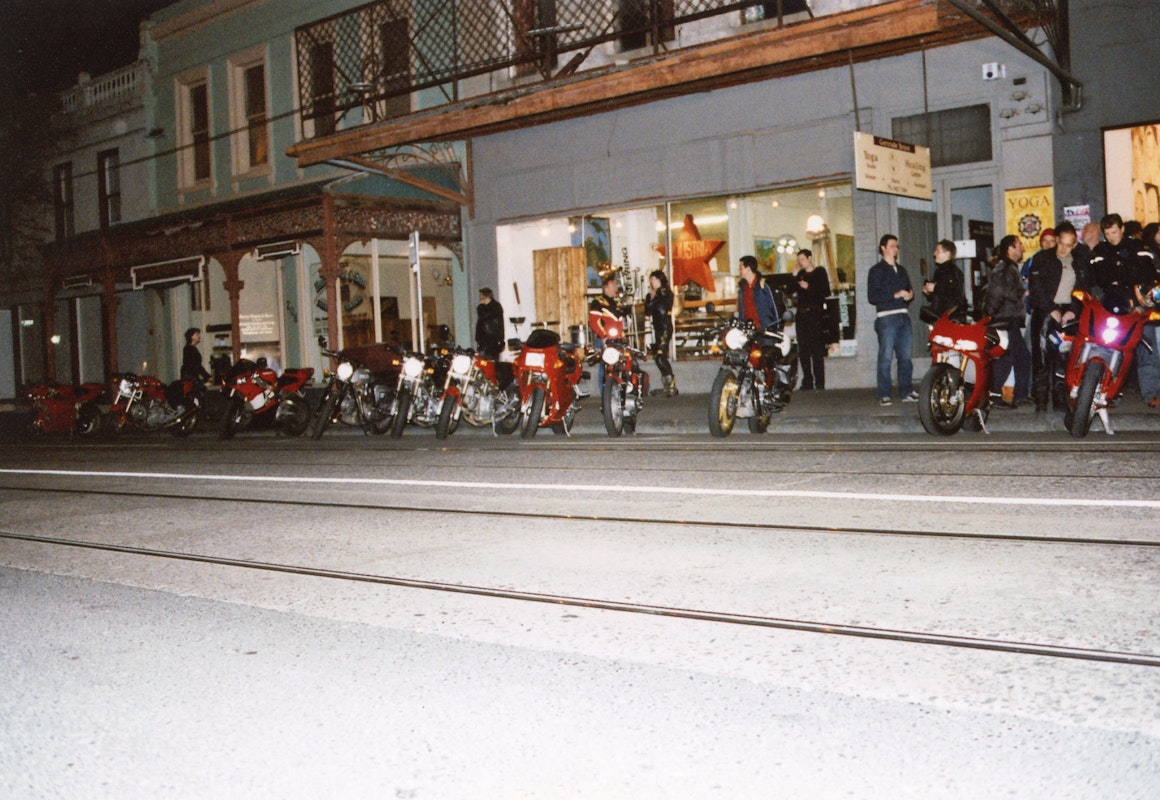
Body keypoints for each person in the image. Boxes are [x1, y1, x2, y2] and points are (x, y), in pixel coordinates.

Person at [1027, 225, 1089, 411]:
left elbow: (1083, 289)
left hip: (1068, 312)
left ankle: (1061, 400)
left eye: (1068, 245)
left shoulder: (1078, 262)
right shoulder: (1042, 258)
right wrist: (1051, 309)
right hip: (1045, 312)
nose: (1063, 249)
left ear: (1074, 245)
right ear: (1056, 240)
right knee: (1042, 356)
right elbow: (1036, 288)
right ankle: (1041, 401)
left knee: (1064, 358)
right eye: (1061, 243)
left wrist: (1073, 310)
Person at [866, 234, 917, 406]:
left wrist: (909, 295)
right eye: (892, 245)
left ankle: (906, 391)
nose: (896, 249)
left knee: (905, 357)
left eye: (897, 246)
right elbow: (872, 296)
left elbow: (910, 289)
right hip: (886, 317)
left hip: (903, 315)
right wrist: (895, 295)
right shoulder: (876, 270)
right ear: (883, 248)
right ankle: (884, 393)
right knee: (886, 357)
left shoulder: (901, 270)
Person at [984, 235, 1031, 407]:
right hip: (1005, 319)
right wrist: (993, 316)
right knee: (1008, 356)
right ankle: (996, 395)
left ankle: (1019, 394)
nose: (1022, 248)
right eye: (1019, 245)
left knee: (1021, 357)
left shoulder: (1009, 268)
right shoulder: (1004, 268)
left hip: (1008, 318)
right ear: (1010, 249)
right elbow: (998, 294)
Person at [793, 249, 829, 391]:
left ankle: (820, 382)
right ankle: (807, 380)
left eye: (802, 259)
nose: (800, 262)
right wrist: (794, 277)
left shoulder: (819, 272)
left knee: (816, 348)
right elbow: (790, 290)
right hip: (801, 315)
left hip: (814, 314)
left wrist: (809, 287)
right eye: (799, 260)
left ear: (809, 258)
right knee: (803, 348)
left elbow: (825, 291)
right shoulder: (800, 275)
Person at [590, 274, 627, 392]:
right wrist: (604, 336)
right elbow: (594, 322)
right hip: (605, 340)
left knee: (622, 366)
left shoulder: (616, 304)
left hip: (618, 341)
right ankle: (604, 396)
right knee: (605, 367)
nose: (616, 287)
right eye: (613, 285)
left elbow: (620, 324)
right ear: (606, 288)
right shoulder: (598, 302)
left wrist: (623, 338)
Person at [644, 269, 678, 397]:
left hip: (665, 327)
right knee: (659, 358)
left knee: (660, 356)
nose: (653, 282)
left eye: (655, 279)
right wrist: (650, 299)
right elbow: (648, 311)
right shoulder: (652, 295)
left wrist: (653, 298)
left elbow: (662, 305)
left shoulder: (665, 292)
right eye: (651, 279)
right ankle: (667, 384)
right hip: (657, 327)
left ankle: (671, 385)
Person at [921, 239, 968, 323]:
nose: (934, 253)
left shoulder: (954, 272)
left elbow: (954, 294)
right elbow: (939, 297)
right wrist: (929, 292)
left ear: (947, 254)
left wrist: (935, 288)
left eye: (937, 251)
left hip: (952, 319)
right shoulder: (939, 271)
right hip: (940, 317)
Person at [736, 255, 781, 331]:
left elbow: (777, 309)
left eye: (741, 268)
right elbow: (741, 313)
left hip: (765, 331)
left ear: (748, 269)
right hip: (749, 332)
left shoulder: (764, 285)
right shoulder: (742, 289)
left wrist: (777, 329)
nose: (739, 270)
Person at [475, 287, 505, 361]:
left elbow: (487, 317)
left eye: (481, 295)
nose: (479, 297)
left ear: (486, 296)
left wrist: (500, 339)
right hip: (483, 341)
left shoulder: (496, 307)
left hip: (492, 341)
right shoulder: (481, 307)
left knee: (491, 363)